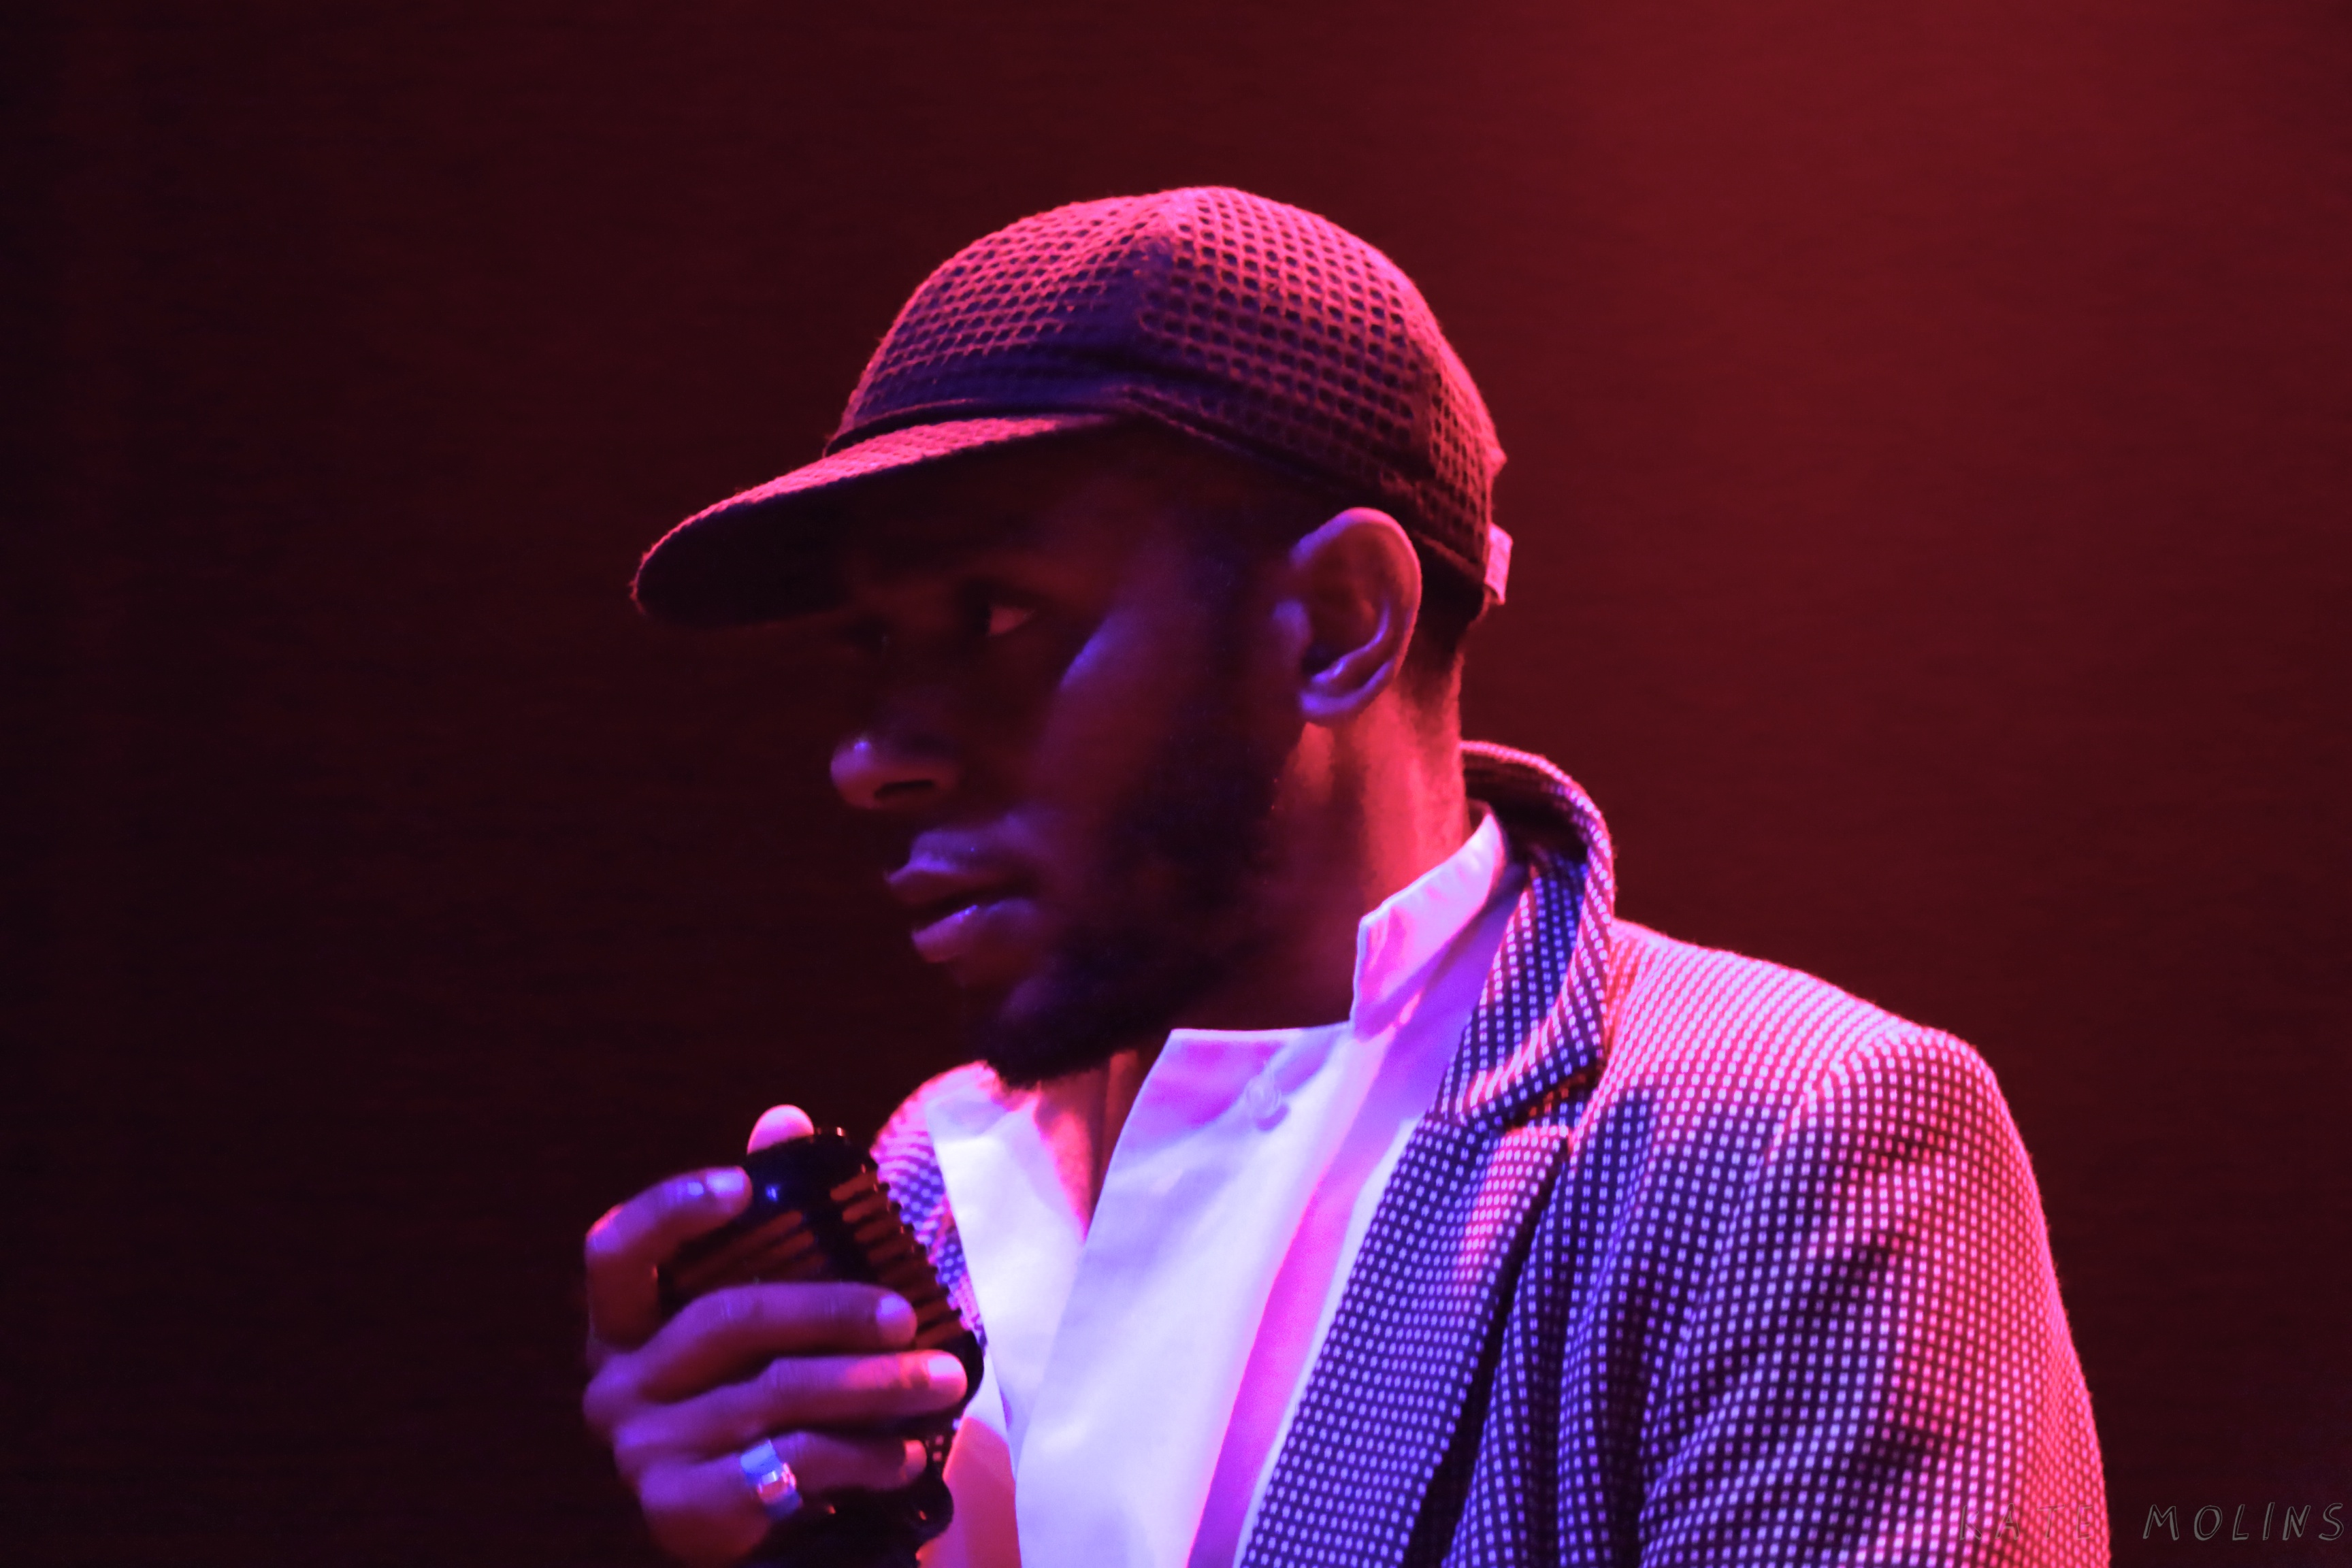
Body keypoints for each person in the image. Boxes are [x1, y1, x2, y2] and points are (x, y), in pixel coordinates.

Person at [581, 187, 2106, 1567]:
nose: (868, 759)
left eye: (993, 616)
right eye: (867, 642)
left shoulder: (1787, 1145)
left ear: (1337, 622)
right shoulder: (932, 1181)